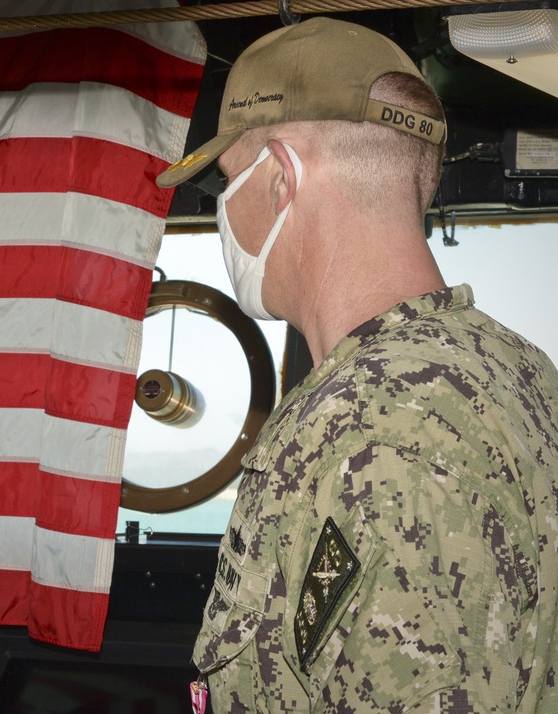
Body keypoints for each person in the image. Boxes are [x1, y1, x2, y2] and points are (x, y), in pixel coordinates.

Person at [157, 17, 558, 713]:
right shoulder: (522, 373)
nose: (221, 210)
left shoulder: (369, 433)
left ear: (281, 177)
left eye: (225, 181)